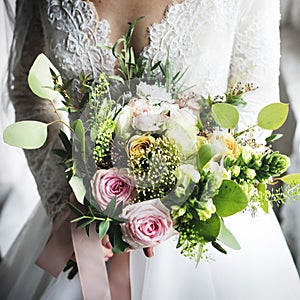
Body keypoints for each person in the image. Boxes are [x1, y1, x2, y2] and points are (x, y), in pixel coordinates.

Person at [1, 0, 300, 299]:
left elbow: (256, 101)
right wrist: (62, 204)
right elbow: (28, 94)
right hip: (83, 220)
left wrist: (180, 200)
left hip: (202, 232)